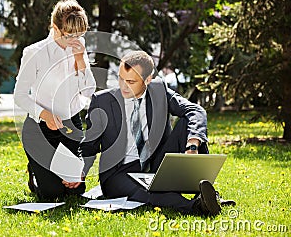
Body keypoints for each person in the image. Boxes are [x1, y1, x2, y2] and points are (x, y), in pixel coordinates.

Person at [78, 50, 224, 216]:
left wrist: (192, 144)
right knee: (147, 194)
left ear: (147, 80)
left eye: (131, 81)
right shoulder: (102, 101)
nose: (123, 86)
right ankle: (197, 207)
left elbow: (195, 111)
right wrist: (80, 172)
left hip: (158, 164)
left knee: (189, 124)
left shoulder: (159, 90)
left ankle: (203, 194)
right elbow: (89, 145)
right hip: (119, 174)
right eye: (121, 78)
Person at [13, 0, 96, 200]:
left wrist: (80, 59)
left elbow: (89, 91)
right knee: (52, 193)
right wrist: (44, 115)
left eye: (80, 35)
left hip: (71, 127)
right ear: (55, 28)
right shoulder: (34, 53)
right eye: (70, 35)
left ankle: (48, 171)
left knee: (75, 189)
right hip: (39, 130)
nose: (75, 40)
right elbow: (20, 95)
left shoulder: (78, 47)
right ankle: (35, 171)